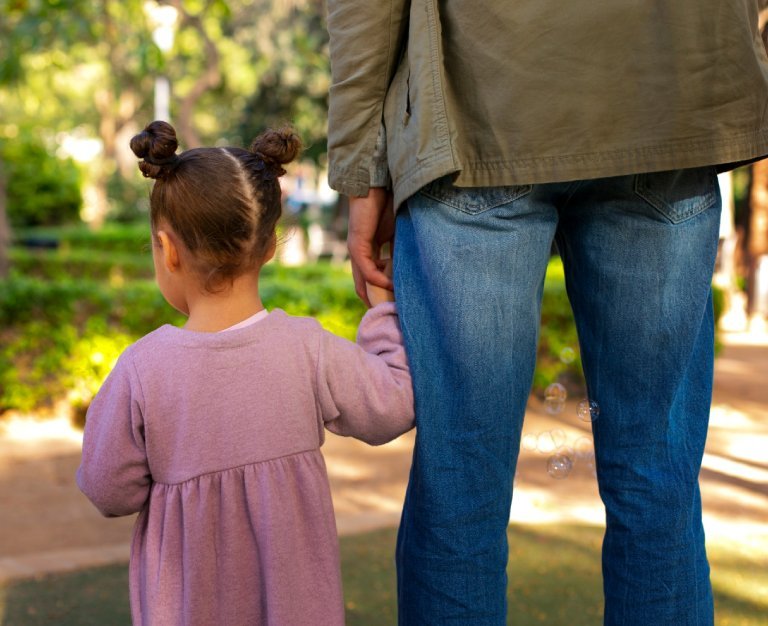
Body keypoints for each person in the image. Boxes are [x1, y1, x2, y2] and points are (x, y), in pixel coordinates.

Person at [326, 1, 768, 624]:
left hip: (481, 107)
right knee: (657, 485)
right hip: (672, 100)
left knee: (462, 492)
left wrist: (361, 166)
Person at [76, 120, 414, 626]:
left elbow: (107, 489)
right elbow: (393, 405)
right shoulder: (307, 347)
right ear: (270, 245)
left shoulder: (142, 369)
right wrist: (384, 312)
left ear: (167, 249)